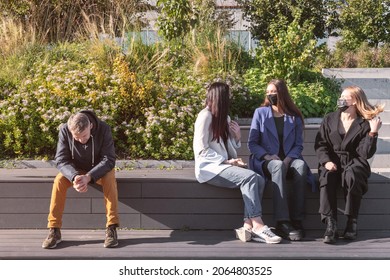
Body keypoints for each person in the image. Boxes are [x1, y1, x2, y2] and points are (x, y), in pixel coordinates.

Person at [193, 81, 282, 244]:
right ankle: (258, 224)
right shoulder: (204, 116)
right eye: (228, 96)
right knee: (249, 178)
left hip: (223, 165)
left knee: (259, 179)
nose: (230, 99)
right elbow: (201, 149)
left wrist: (237, 138)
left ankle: (247, 226)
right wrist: (226, 161)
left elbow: (228, 148)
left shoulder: (224, 118)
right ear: (220, 97)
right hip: (209, 169)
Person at [248, 79, 315, 241]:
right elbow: (252, 143)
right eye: (268, 92)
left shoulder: (294, 116)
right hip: (266, 161)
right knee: (277, 165)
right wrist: (267, 156)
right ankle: (282, 221)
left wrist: (289, 159)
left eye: (274, 92)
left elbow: (299, 145)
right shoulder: (261, 113)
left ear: (282, 93)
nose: (270, 95)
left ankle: (297, 220)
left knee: (299, 166)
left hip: (289, 160)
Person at [314, 86, 383, 244]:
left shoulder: (364, 123)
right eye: (341, 96)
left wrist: (373, 133)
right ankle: (330, 223)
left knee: (352, 175)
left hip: (354, 161)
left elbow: (365, 153)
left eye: (346, 97)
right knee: (327, 176)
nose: (341, 99)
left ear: (355, 101)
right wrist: (326, 161)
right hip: (332, 160)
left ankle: (352, 221)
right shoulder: (329, 119)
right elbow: (320, 144)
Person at [42, 110, 120, 249]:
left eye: (84, 136)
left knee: (109, 177)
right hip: (76, 171)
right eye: (76, 137)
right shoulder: (65, 130)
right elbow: (61, 160)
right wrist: (74, 176)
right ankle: (54, 230)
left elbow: (109, 159)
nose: (81, 140)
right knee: (59, 181)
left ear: (90, 126)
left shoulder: (104, 129)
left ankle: (111, 228)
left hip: (98, 170)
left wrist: (89, 176)